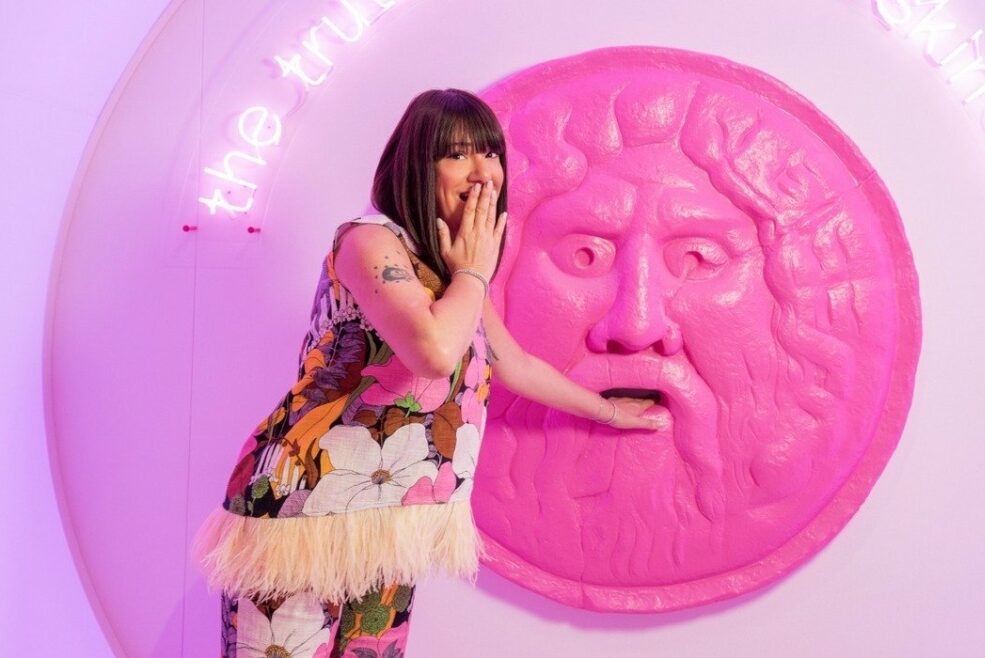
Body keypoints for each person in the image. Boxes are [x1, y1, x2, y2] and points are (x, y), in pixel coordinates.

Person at [194, 88, 662, 658]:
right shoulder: (369, 240)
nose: (482, 172)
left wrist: (612, 412)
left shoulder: (449, 275)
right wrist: (474, 270)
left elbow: (513, 364)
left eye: (490, 153)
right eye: (457, 154)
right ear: (418, 165)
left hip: (392, 522)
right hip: (304, 515)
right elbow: (434, 353)